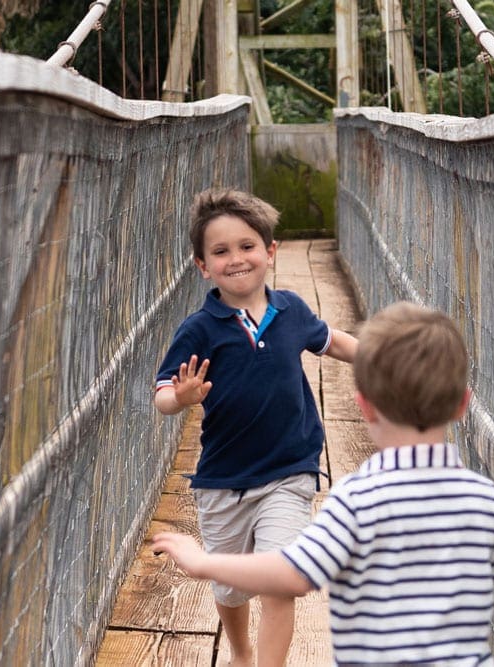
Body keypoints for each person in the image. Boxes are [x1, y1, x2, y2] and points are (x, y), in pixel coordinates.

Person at [154, 301, 494, 666]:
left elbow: (293, 575)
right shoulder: (485, 499)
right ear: (462, 405)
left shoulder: (356, 500)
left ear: (365, 406)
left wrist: (204, 563)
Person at [153, 188, 358, 667]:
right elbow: (163, 394)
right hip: (224, 479)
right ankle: (241, 651)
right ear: (202, 266)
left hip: (291, 469)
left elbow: (335, 343)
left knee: (280, 576)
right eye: (220, 252)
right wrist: (179, 398)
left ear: (269, 251)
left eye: (247, 247)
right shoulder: (200, 328)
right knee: (230, 585)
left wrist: (393, 357)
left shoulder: (292, 312)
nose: (236, 259)